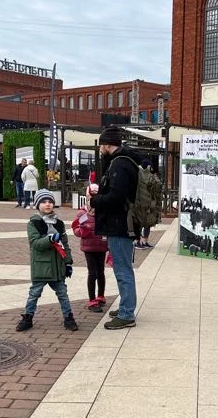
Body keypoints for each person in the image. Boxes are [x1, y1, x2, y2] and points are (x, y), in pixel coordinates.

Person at [89, 125, 139, 330]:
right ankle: (125, 307)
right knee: (123, 268)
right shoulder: (126, 161)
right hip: (122, 222)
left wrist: (95, 200)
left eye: (102, 145)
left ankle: (127, 314)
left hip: (119, 224)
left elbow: (117, 197)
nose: (100, 149)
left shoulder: (119, 164)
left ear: (107, 144)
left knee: (122, 270)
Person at [16, 189, 78, 332]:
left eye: (50, 202)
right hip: (41, 267)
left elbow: (65, 245)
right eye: (43, 202)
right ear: (38, 205)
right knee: (34, 294)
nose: (47, 204)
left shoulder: (59, 224)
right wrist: (49, 239)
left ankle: (69, 318)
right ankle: (28, 318)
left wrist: (68, 262)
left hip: (57, 267)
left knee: (63, 294)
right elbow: (35, 243)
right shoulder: (34, 223)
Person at [71, 196, 108, 313]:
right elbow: (76, 228)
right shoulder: (84, 213)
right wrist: (82, 231)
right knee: (92, 272)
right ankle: (92, 299)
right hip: (89, 247)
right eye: (90, 199)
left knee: (101, 271)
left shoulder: (103, 212)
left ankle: (101, 295)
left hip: (101, 246)